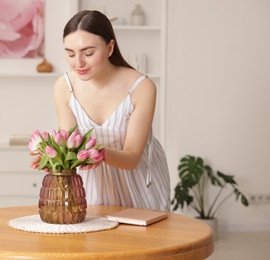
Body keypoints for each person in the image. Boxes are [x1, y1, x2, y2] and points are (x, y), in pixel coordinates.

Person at [32, 10, 170, 211]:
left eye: (88, 53)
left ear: (110, 48)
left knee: (142, 240)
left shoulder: (141, 87)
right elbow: (71, 144)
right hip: (92, 184)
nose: (78, 63)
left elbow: (132, 157)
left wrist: (97, 152)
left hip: (139, 183)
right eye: (70, 53)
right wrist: (55, 158)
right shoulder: (64, 86)